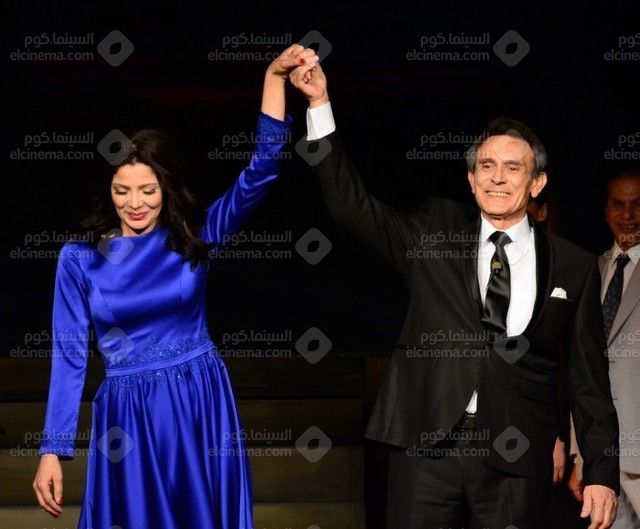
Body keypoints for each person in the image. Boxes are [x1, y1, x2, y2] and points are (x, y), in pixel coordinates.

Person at [289, 63, 620, 529]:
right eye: (487, 166)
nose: (497, 178)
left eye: (512, 168)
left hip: (517, 456)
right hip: (426, 448)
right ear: (471, 178)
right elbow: (351, 205)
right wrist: (319, 104)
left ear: (536, 183)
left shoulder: (574, 265)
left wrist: (602, 472)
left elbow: (589, 380)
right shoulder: (435, 229)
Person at [32, 44, 319, 528]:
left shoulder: (194, 236)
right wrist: (51, 450)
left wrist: (273, 78)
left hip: (199, 401)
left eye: (148, 190)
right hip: (127, 416)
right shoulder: (79, 259)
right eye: (122, 191)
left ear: (166, 188)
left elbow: (261, 172)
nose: (135, 203)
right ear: (108, 191)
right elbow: (69, 355)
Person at [569, 168, 640, 528]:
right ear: (606, 211)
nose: (628, 214)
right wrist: (579, 455)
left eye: (637, 204)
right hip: (601, 460)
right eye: (618, 204)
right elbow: (580, 369)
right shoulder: (587, 270)